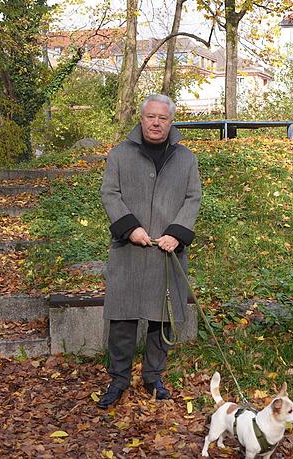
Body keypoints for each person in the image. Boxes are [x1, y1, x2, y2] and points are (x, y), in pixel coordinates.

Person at [97, 94, 202, 409]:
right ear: (141, 118)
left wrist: (177, 233)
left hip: (167, 253)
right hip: (128, 250)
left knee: (162, 318)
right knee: (123, 318)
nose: (156, 123)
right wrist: (130, 228)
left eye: (162, 118)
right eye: (150, 117)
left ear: (171, 122)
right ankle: (118, 379)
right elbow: (110, 192)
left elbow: (193, 197)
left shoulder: (186, 158)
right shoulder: (119, 154)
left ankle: (153, 377)